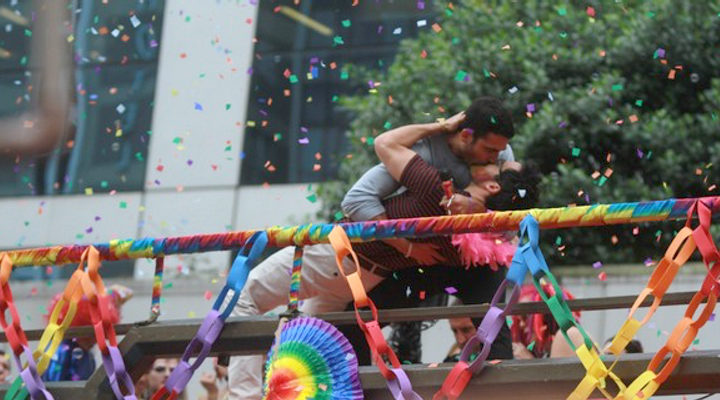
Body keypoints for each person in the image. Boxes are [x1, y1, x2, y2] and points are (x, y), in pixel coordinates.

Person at [227, 98, 540, 399]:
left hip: (341, 256)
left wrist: (408, 246)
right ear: (467, 135)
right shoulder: (475, 239)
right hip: (364, 278)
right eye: (491, 152)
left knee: (247, 298)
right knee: (307, 344)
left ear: (492, 187)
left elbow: (382, 147)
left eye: (500, 161)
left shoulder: (436, 189)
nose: (495, 159)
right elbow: (511, 213)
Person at [42, 284, 133, 382]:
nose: (96, 341)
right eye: (93, 335)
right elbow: (53, 386)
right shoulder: (62, 350)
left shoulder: (87, 357)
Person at [510, 283, 586, 359]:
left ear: (545, 317)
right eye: (518, 319)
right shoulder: (548, 347)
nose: (521, 324)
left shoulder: (568, 335)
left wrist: (528, 359)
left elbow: (557, 371)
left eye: (525, 317)